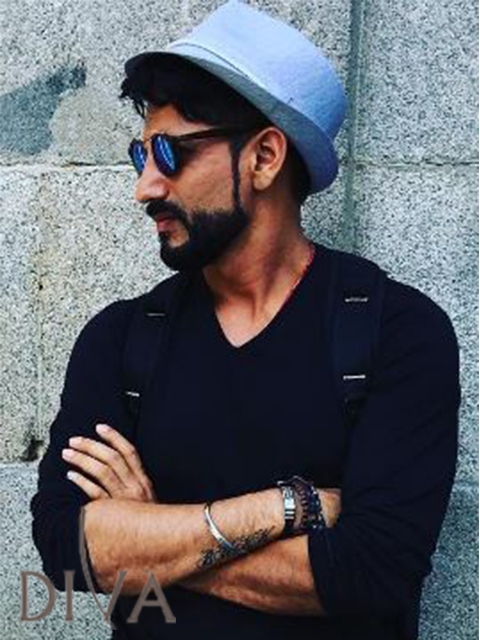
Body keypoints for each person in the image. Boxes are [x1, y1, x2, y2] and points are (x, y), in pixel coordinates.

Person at [31, 1, 461, 639]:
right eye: (140, 155)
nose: (146, 187)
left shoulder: (396, 332)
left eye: (171, 154)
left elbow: (371, 571)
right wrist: (286, 508)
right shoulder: (122, 339)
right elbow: (66, 552)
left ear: (263, 157)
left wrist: (151, 533)